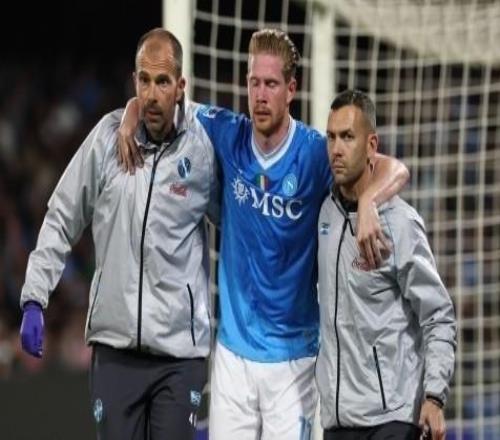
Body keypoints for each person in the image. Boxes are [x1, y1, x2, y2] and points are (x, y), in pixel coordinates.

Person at [118, 29, 409, 440]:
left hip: (294, 361)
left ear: (291, 89)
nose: (260, 95)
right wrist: (130, 114)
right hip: (233, 356)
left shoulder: (314, 152)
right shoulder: (227, 132)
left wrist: (368, 202)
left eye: (271, 84)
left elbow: (396, 168)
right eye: (254, 82)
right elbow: (162, 101)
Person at [19, 28, 219, 440]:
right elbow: (62, 216)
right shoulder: (107, 139)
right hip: (115, 352)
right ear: (134, 81)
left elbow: (239, 224)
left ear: (181, 86)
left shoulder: (203, 151)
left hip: (179, 357)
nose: (151, 94)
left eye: (162, 81)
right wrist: (35, 297)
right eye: (144, 80)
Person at [316, 89, 456, 440]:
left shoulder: (400, 223)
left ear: (372, 145)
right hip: (337, 421)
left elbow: (438, 315)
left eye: (348, 137)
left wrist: (434, 396)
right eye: (331, 137)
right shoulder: (325, 213)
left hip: (391, 419)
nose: (336, 149)